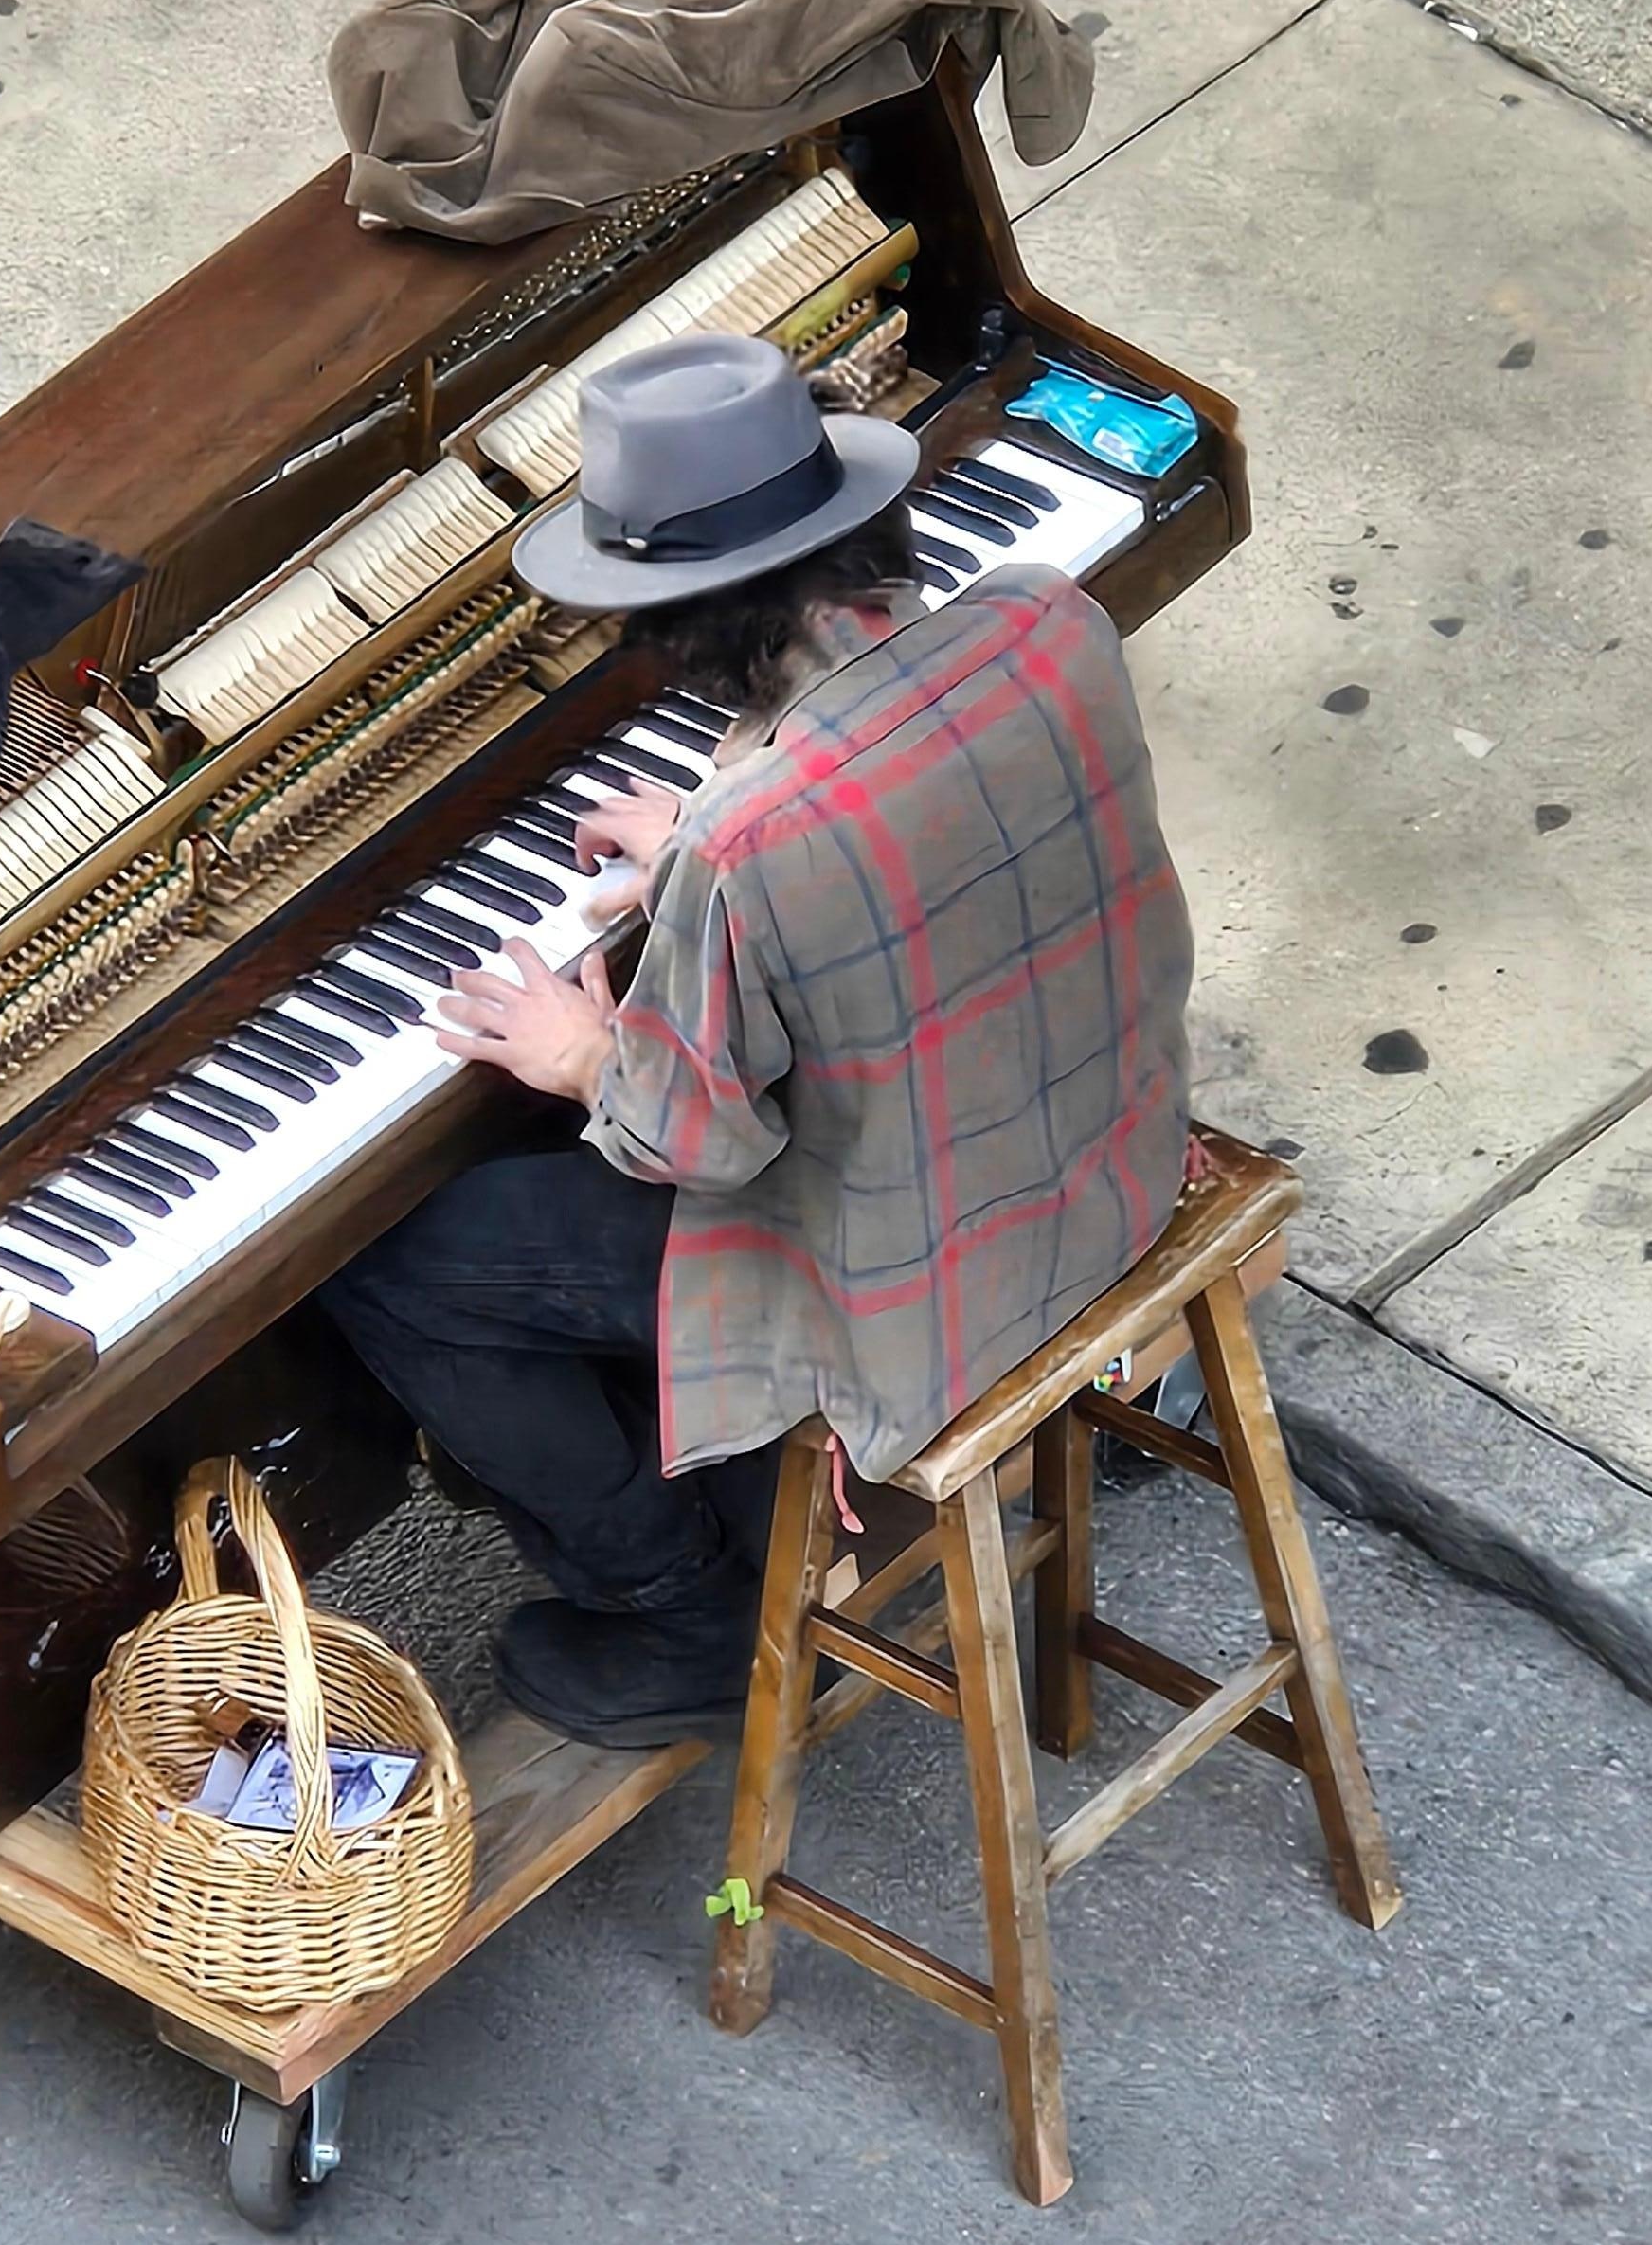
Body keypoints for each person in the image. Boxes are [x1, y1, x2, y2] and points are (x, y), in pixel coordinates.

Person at [320, 330, 1193, 1749]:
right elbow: (925, 830)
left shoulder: (752, 842)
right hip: (1112, 1169)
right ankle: (702, 1482)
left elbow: (690, 1142)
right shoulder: (1046, 619)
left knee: (390, 1266)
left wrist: (580, 1055)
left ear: (690, 630)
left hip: (911, 1295)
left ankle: (688, 1617)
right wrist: (701, 849)